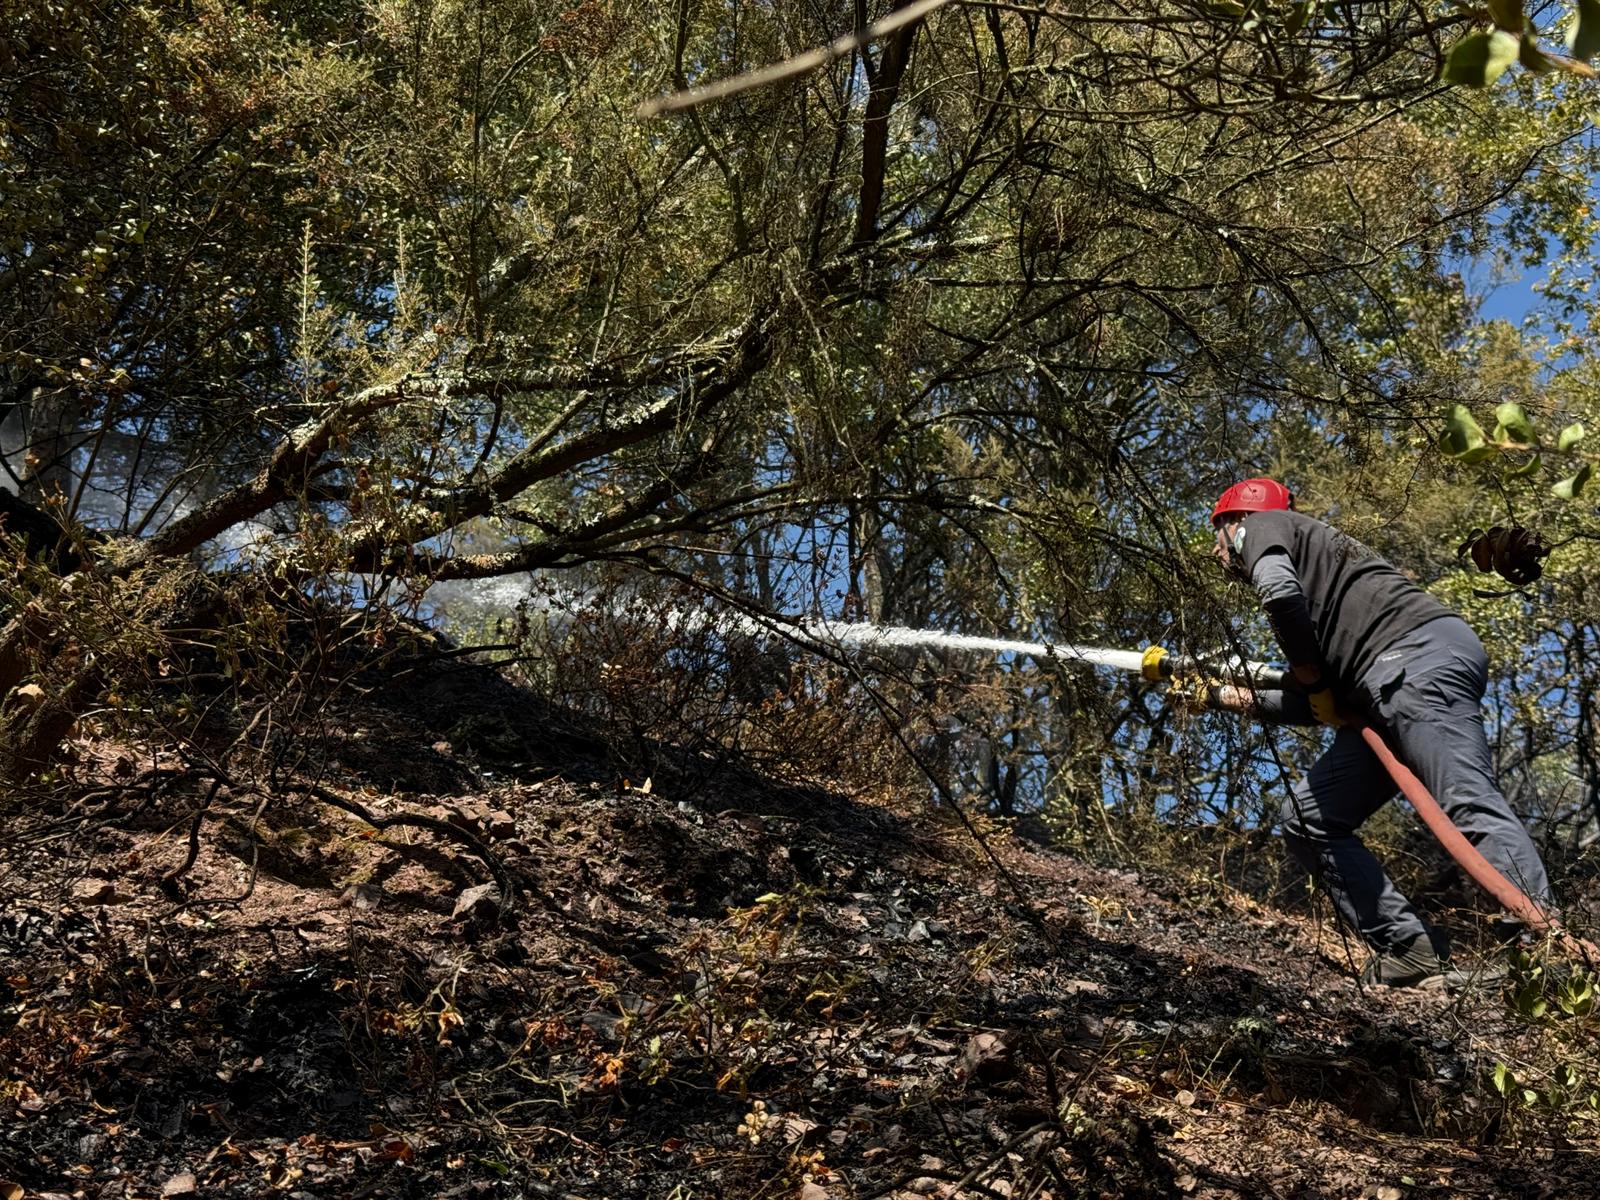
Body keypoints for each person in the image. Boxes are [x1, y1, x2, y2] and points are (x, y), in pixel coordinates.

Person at [1208, 478, 1553, 989]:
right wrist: (1217, 696)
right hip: (1385, 685)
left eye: (1217, 538)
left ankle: (1541, 953)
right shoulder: (1327, 600)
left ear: (1231, 520)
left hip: (1414, 661)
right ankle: (1409, 949)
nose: (1219, 554)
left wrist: (1306, 670)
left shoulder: (1260, 525)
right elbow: (1324, 706)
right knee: (1308, 818)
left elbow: (1280, 597)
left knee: (1464, 797)